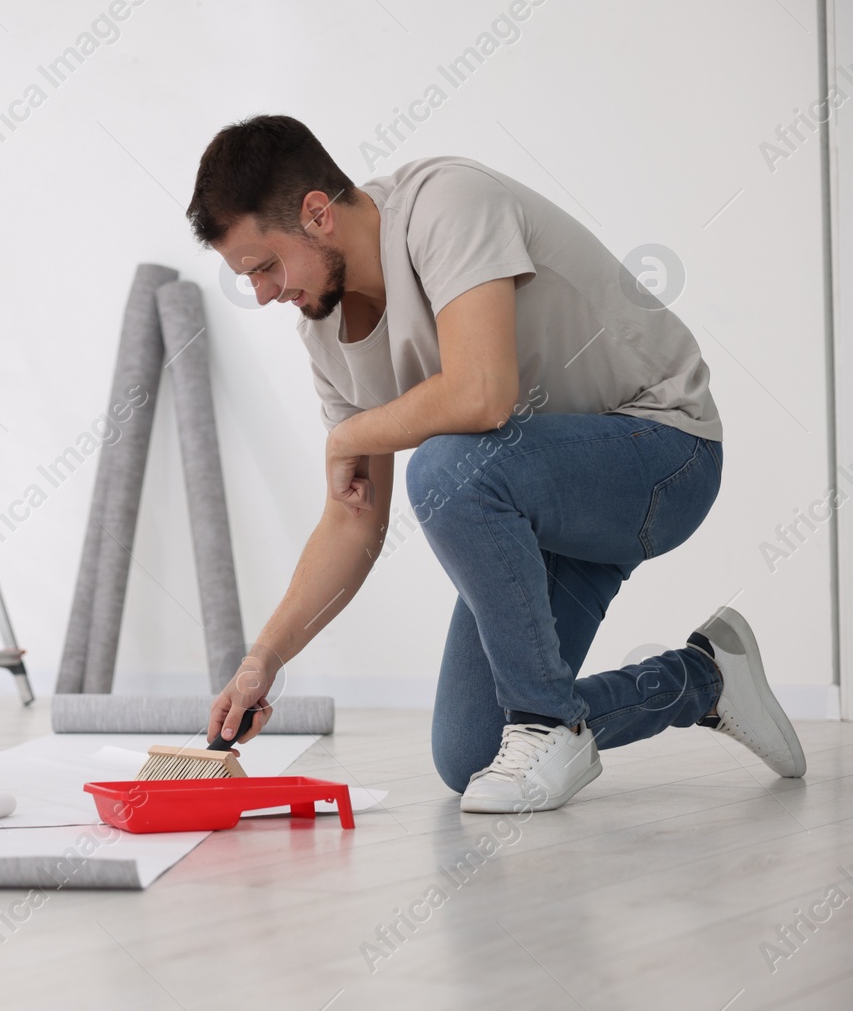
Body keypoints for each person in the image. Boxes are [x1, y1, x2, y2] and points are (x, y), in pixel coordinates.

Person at [191, 116, 807, 813]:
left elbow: (484, 394)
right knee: (472, 756)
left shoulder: (445, 204)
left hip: (663, 454)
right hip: (539, 501)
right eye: (249, 278)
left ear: (316, 213)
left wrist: (351, 433)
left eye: (265, 266)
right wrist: (263, 659)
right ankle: (703, 680)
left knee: (445, 465)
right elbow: (353, 520)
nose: (265, 293)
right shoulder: (325, 336)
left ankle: (547, 727)